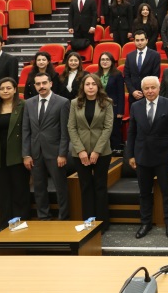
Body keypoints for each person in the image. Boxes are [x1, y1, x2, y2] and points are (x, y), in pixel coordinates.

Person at [127, 76, 168, 238]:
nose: (150, 91)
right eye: (146, 88)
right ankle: (145, 223)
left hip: (163, 155)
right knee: (144, 192)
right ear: (142, 90)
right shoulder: (135, 106)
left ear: (158, 88)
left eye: (153, 88)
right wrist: (130, 155)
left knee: (167, 191)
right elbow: (131, 133)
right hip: (142, 155)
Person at [22, 72, 71, 220]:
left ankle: (63, 218)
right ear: (34, 86)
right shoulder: (28, 103)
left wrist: (62, 154)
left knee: (60, 187)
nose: (41, 86)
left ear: (50, 83)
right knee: (39, 187)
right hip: (35, 153)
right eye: (38, 84)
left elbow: (65, 131)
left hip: (55, 153)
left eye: (44, 83)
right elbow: (26, 130)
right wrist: (26, 154)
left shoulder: (62, 102)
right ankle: (43, 217)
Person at [0, 78, 29, 231]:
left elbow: (28, 131)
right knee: (3, 193)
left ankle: (20, 225)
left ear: (15, 89)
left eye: (8, 88)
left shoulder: (24, 106)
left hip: (17, 155)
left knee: (19, 192)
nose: (5, 91)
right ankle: (4, 225)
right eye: (2, 88)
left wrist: (27, 153)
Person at [68, 73, 113, 230]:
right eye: (87, 84)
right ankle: (88, 222)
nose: (91, 87)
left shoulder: (107, 103)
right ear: (83, 87)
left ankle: (102, 223)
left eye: (93, 84)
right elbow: (71, 127)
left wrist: (96, 151)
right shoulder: (75, 103)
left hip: (102, 152)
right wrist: (80, 150)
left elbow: (108, 128)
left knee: (100, 186)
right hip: (80, 152)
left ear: (98, 86)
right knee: (85, 187)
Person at [96, 52, 125, 153]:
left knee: (114, 129)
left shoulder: (117, 74)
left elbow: (121, 93)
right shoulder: (95, 75)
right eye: (102, 60)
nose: (104, 62)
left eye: (107, 59)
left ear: (112, 62)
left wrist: (120, 111)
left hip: (114, 107)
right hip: (99, 106)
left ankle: (116, 149)